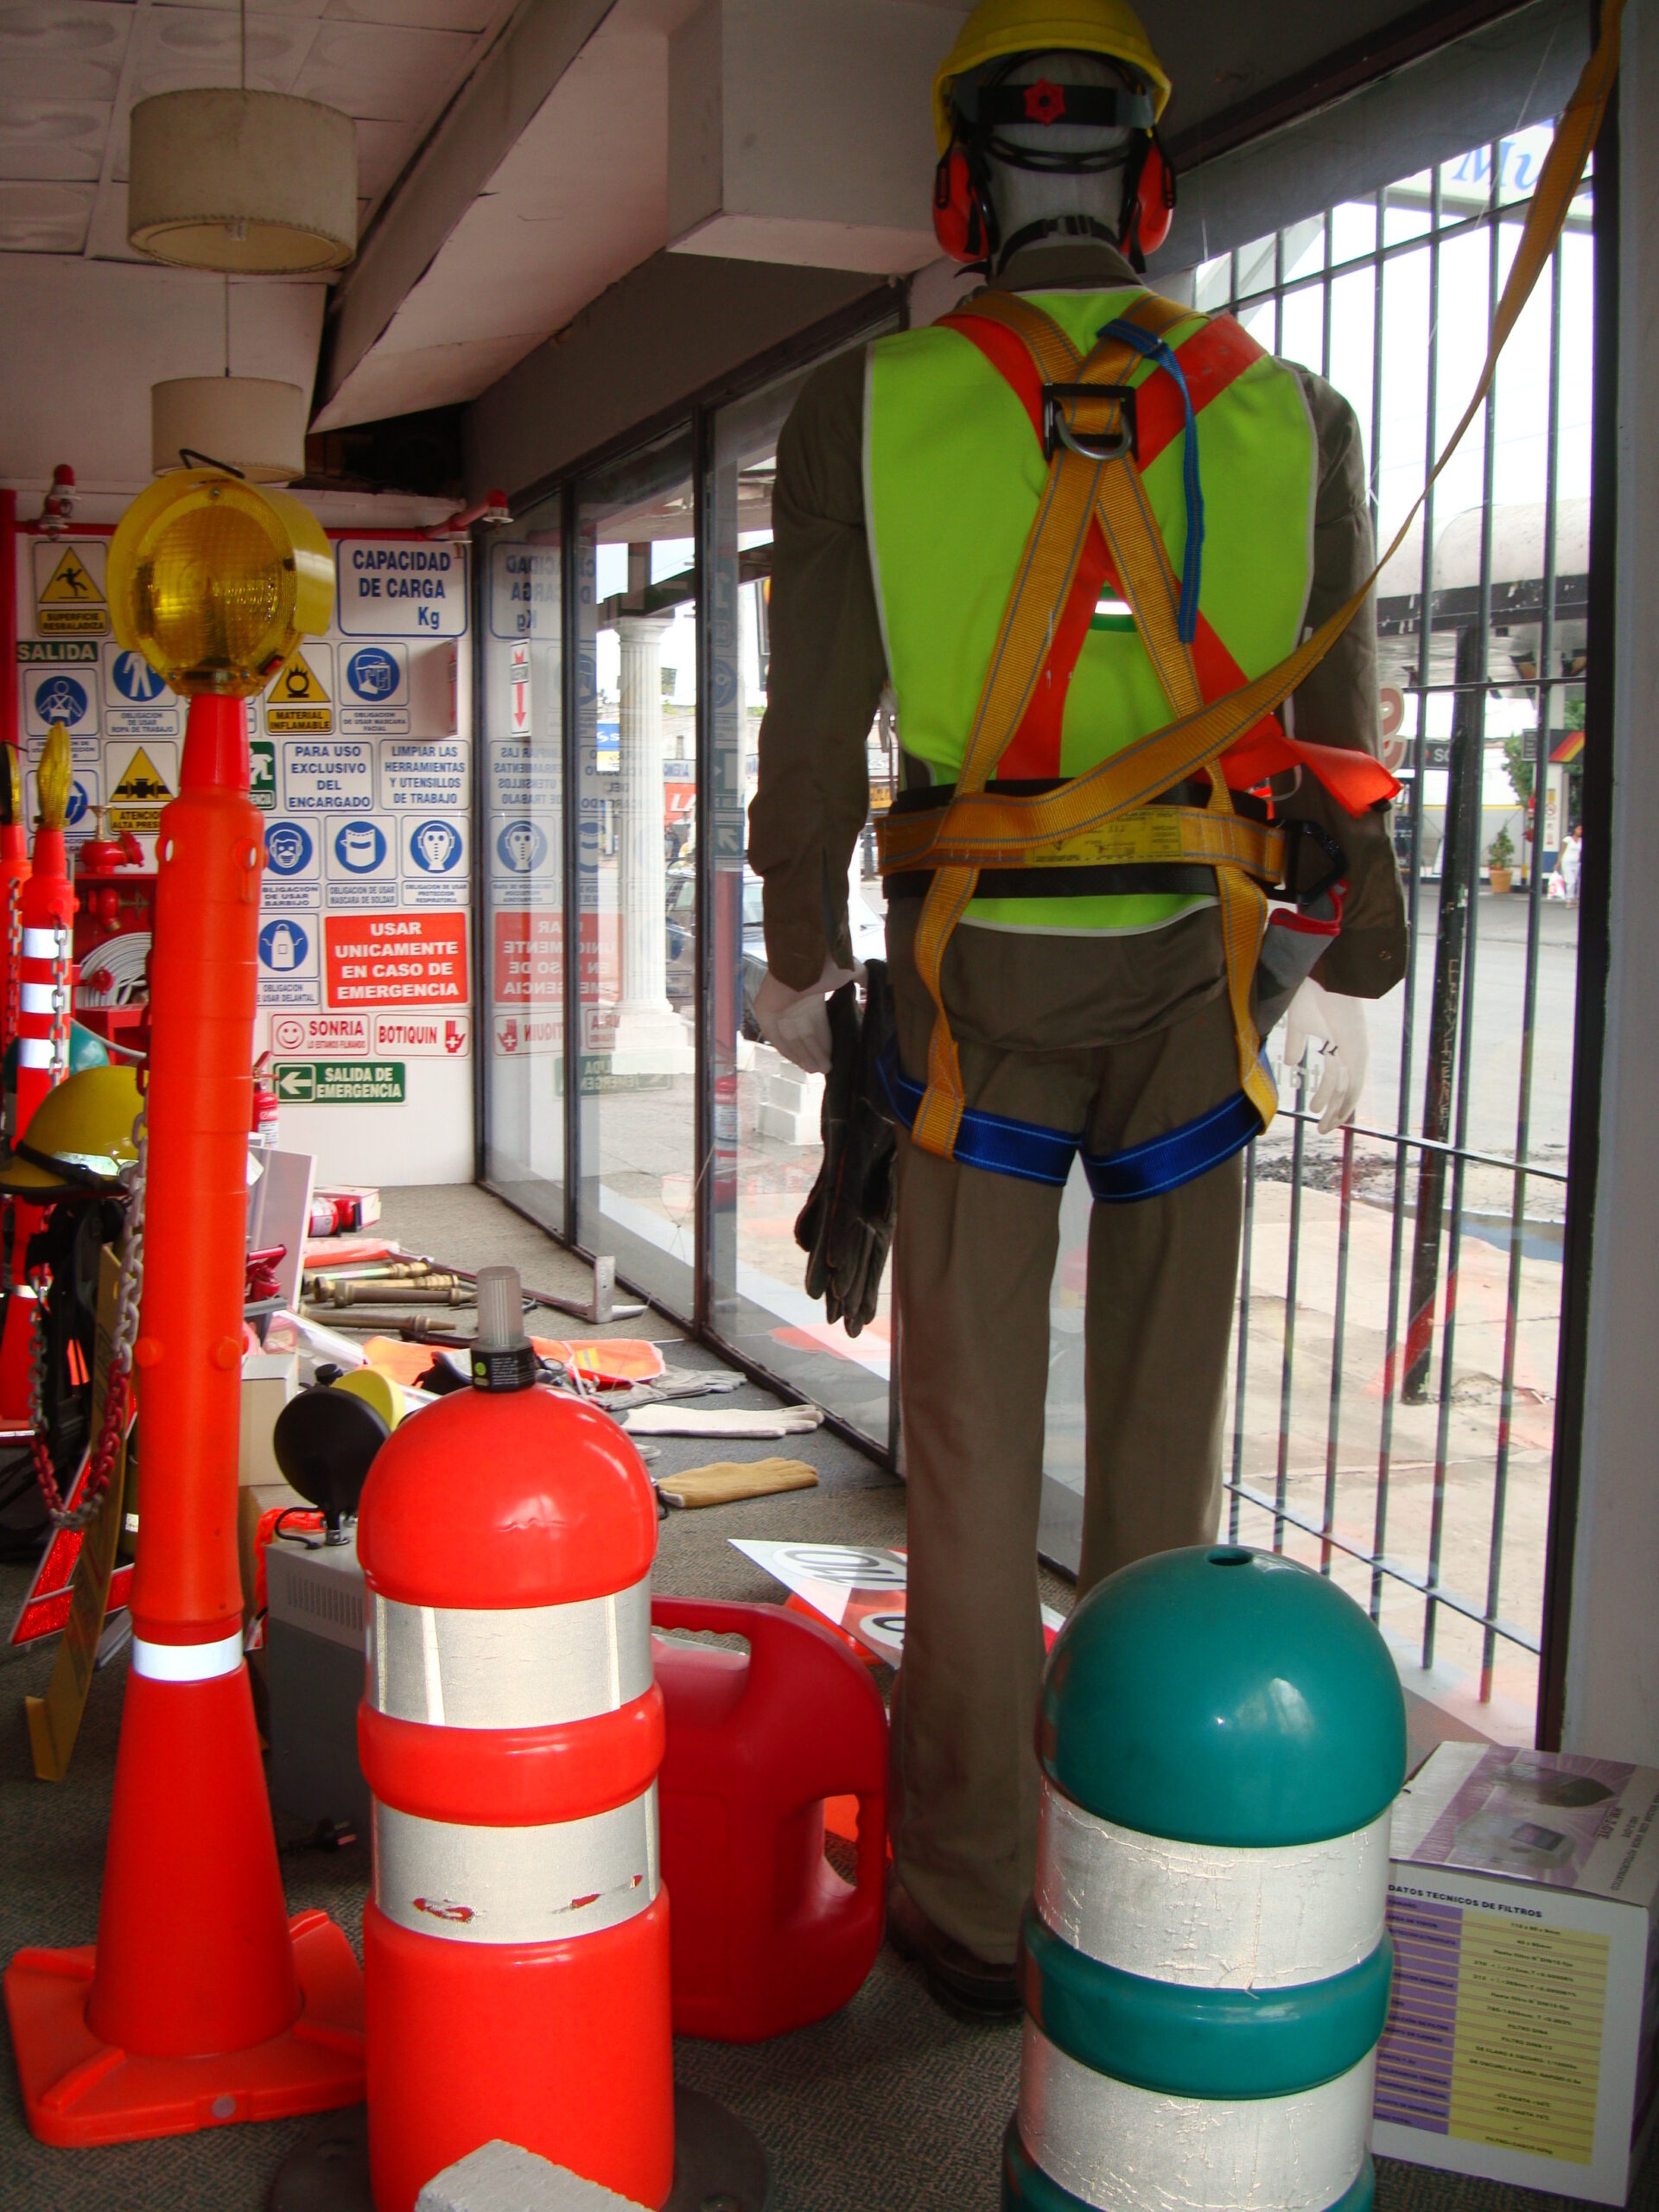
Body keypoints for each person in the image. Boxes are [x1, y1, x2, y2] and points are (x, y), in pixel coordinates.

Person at [748, 0, 1405, 2015]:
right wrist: (1352, 947)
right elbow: (1336, 740)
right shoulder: (1293, 412)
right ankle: (1140, 1859)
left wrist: (794, 950)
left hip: (973, 984)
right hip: (1194, 988)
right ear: (1154, 185)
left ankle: (958, 1900)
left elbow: (811, 728)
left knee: (961, 1462)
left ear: (959, 191)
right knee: (1155, 1458)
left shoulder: (869, 405)